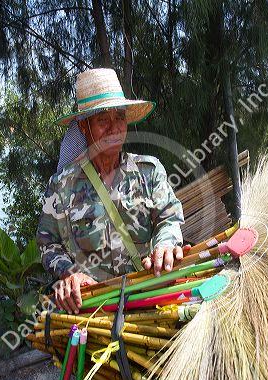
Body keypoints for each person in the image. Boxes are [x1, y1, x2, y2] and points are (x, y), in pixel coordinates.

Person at [37, 68, 185, 315]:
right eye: (102, 120)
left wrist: (165, 245)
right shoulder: (62, 185)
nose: (115, 128)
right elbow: (48, 244)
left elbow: (168, 218)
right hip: (94, 309)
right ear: (84, 127)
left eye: (119, 117)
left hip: (149, 299)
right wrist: (70, 273)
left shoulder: (148, 171)